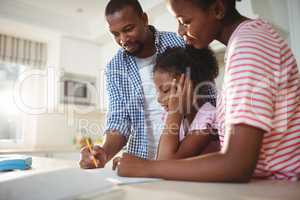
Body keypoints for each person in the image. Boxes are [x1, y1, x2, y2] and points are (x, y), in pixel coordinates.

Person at [113, 0, 300, 181]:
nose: (180, 32)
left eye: (185, 21)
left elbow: (237, 164)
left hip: (282, 186)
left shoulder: (249, 46)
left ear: (218, 9)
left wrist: (145, 167)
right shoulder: (246, 42)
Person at [79, 0, 216, 168]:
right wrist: (104, 152)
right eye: (115, 34)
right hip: (142, 162)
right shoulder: (114, 68)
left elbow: (208, 97)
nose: (123, 40)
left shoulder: (182, 43)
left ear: (144, 19)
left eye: (128, 29)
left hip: (184, 160)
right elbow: (118, 120)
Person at [153, 47, 220, 160]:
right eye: (158, 91)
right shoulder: (173, 117)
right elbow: (159, 158)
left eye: (166, 90)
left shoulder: (209, 119)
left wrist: (175, 113)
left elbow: (165, 162)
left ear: (190, 87)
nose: (159, 99)